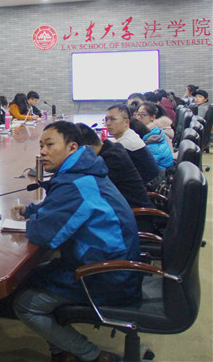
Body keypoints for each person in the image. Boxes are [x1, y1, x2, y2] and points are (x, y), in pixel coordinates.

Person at [12, 121, 141, 362]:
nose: (43, 152)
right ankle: (63, 351)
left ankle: (93, 356)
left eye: (50, 145)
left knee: (26, 304)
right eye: (41, 145)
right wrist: (31, 211)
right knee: (32, 276)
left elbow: (45, 235)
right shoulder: (82, 172)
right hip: (106, 263)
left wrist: (33, 221)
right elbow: (59, 207)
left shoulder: (76, 184)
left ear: (72, 147)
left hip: (107, 276)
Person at [76, 123, 154, 209]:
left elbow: (92, 190)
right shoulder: (111, 149)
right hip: (123, 208)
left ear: (86, 148)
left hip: (136, 213)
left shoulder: (112, 160)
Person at [104, 104, 159, 184]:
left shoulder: (127, 142)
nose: (108, 123)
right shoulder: (130, 134)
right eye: (106, 119)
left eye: (113, 119)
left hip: (146, 187)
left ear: (126, 122)